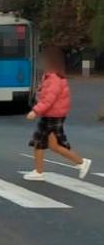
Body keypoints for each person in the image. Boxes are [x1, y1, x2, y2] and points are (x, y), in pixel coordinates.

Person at [24, 46, 91, 181]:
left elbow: (49, 99)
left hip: (52, 116)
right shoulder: (50, 75)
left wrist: (35, 111)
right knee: (52, 145)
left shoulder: (54, 78)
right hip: (52, 115)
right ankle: (79, 162)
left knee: (40, 142)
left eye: (43, 59)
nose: (40, 62)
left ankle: (40, 171)